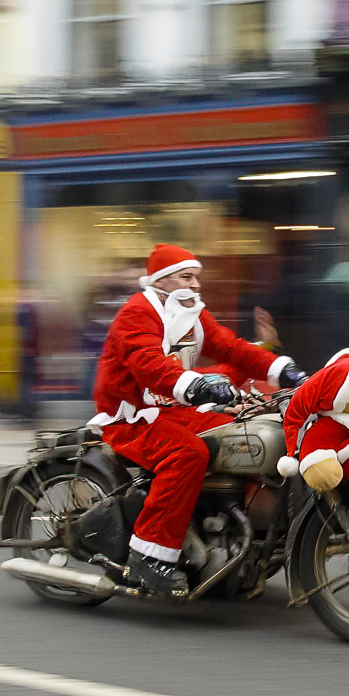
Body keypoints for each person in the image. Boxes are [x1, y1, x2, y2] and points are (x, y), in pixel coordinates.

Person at [90, 244, 307, 596]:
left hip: (173, 409)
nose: (195, 285)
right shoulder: (136, 312)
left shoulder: (193, 315)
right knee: (188, 454)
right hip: (131, 416)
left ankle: (237, 537)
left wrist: (283, 371)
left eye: (197, 278)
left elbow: (231, 347)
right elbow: (148, 364)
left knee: (242, 437)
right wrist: (197, 386)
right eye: (186, 277)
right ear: (162, 281)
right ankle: (150, 553)